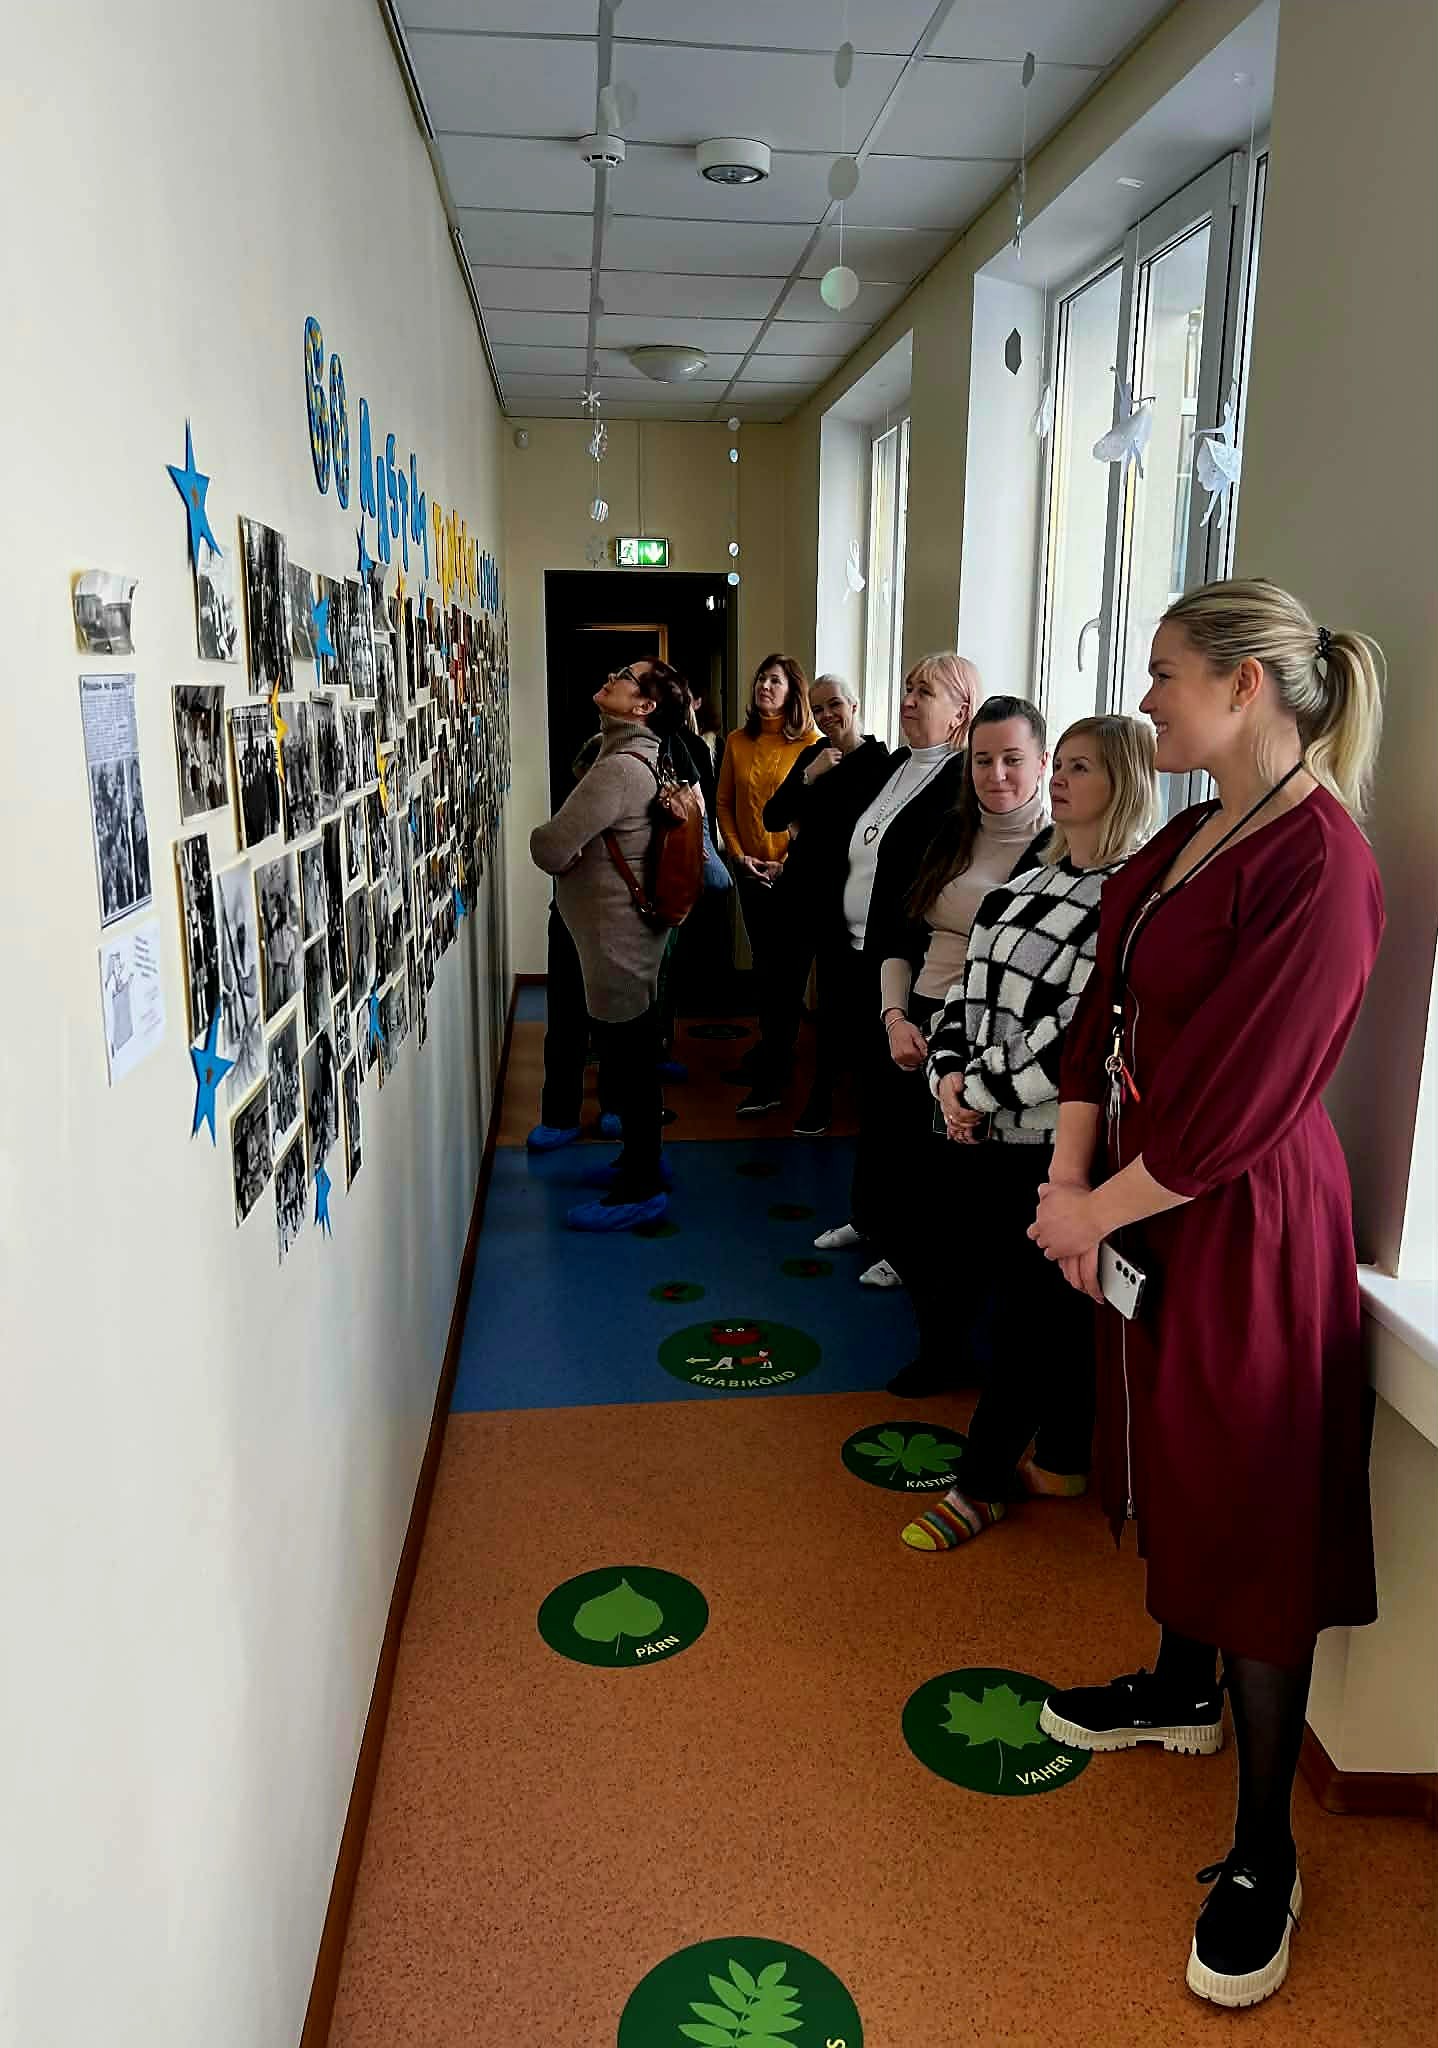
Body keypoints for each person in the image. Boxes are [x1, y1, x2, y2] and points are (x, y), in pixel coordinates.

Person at [1028, 580, 1385, 2010]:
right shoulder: (1189, 834)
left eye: (1165, 672)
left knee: (1249, 1505)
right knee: (1171, 1455)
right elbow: (1099, 1006)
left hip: (1244, 1220)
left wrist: (1087, 1211)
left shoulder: (1323, 864)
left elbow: (1238, 1105)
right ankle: (1179, 1689)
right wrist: (1070, 1178)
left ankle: (1263, 1851)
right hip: (1143, 1200)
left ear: (1245, 685)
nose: (1146, 697)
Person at [891, 712, 1157, 1523]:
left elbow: (1082, 1036)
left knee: (1030, 1320)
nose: (1061, 780)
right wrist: (946, 1078)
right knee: (1039, 1308)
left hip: (1059, 1148)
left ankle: (978, 1485)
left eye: (1081, 767)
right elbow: (963, 998)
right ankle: (1066, 1458)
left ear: (1126, 781)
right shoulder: (1022, 886)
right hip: (987, 1133)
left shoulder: (1132, 899)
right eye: (1062, 764)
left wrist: (975, 1091)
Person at [871, 697, 1053, 1387]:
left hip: (990, 1044)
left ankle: (966, 1351)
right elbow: (899, 935)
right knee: (907, 1201)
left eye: (1012, 759)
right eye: (982, 760)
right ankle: (938, 1342)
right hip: (918, 1026)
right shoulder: (946, 833)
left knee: (971, 1209)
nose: (996, 775)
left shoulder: (1057, 851)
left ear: (1042, 763)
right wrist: (895, 1017)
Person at [811, 654, 978, 1282]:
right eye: (907, 688)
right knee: (874, 1098)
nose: (908, 701)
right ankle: (870, 1214)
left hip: (908, 964)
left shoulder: (961, 782)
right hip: (858, 953)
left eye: (924, 692)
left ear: (960, 712)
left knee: (908, 1109)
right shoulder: (898, 765)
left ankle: (906, 1242)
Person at [530, 658, 693, 1231]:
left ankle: (638, 1189)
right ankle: (641, 1162)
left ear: (644, 706)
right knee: (633, 1056)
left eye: (626, 675)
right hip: (626, 935)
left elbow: (549, 847)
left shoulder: (619, 769)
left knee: (629, 1061)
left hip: (615, 939)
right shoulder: (640, 756)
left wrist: (558, 845)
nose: (611, 677)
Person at [761, 674, 892, 1133]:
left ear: (854, 704)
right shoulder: (813, 755)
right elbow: (773, 816)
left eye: (834, 704)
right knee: (781, 990)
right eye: (817, 709)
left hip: (844, 901)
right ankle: (770, 1080)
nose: (826, 715)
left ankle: (821, 1098)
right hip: (799, 893)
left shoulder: (882, 764)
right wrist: (807, 777)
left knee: (835, 1004)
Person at [715, 654, 821, 1114]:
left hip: (793, 877)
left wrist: (788, 863)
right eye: (761, 678)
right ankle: (769, 1048)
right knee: (764, 966)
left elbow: (817, 818)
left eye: (775, 680)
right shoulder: (737, 742)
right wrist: (739, 856)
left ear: (793, 691)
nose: (764, 686)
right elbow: (723, 803)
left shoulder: (813, 745)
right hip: (750, 873)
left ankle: (777, 1059)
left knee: (787, 971)